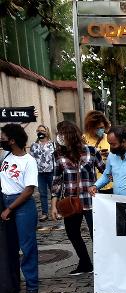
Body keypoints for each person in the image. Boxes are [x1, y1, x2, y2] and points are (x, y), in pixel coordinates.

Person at [51, 121, 105, 275]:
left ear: (70, 134)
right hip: (71, 201)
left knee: (97, 235)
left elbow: (105, 172)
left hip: (91, 200)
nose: (59, 137)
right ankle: (85, 264)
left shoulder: (92, 151)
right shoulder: (57, 154)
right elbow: (56, 181)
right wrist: (54, 204)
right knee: (73, 233)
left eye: (61, 133)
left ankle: (104, 267)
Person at [0, 123, 39, 293]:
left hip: (21, 205)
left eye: (3, 137)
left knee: (27, 246)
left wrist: (10, 208)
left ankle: (32, 284)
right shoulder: (5, 156)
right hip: (5, 202)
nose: (1, 139)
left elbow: (29, 190)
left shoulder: (29, 161)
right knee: (10, 247)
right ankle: (13, 284)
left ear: (12, 140)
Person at [29, 125, 56, 221]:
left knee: (55, 192)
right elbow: (31, 159)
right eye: (39, 130)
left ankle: (57, 211)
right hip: (39, 173)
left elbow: (56, 158)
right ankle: (45, 213)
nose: (40, 132)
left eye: (42, 130)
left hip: (51, 172)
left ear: (46, 132)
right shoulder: (34, 145)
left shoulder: (52, 144)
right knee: (42, 193)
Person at [83, 110, 112, 193]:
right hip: (92, 183)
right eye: (97, 128)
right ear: (91, 127)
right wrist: (95, 154)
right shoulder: (84, 139)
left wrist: (110, 154)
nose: (100, 130)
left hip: (109, 182)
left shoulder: (109, 138)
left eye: (102, 127)